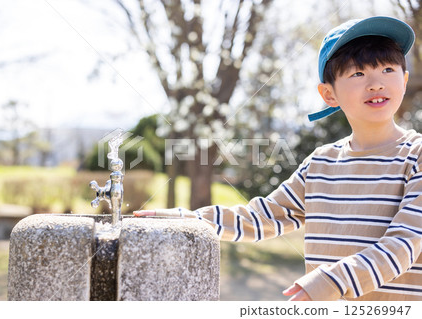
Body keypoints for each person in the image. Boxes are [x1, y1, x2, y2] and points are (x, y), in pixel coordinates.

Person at [135, 16, 422, 301]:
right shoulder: (320, 164)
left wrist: (334, 281)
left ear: (405, 80)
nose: (376, 84)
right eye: (358, 74)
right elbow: (262, 216)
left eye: (387, 69)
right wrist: (191, 220)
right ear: (328, 94)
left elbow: (404, 243)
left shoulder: (416, 155)